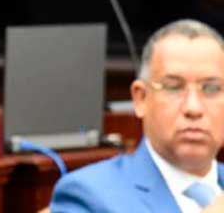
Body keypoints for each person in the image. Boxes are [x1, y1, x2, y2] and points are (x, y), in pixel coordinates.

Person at [51, 19, 224, 212]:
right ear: (141, 98)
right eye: (173, 87)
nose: (193, 108)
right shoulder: (87, 195)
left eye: (212, 88)